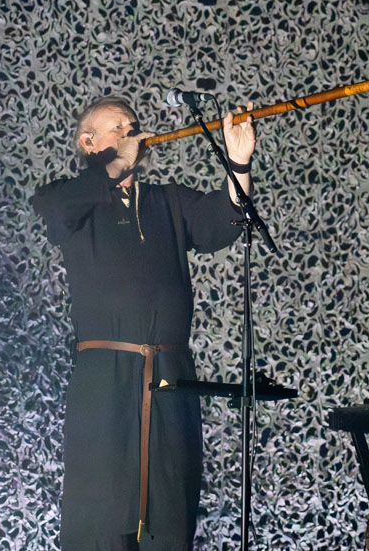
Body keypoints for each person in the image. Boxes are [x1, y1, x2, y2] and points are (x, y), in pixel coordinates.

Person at [31, 95, 256, 551]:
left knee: (169, 508)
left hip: (170, 379)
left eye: (133, 125)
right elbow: (53, 215)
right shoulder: (70, 199)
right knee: (101, 510)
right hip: (104, 382)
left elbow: (224, 220)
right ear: (88, 142)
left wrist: (238, 161)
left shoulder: (166, 200)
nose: (130, 130)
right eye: (117, 127)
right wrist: (115, 163)